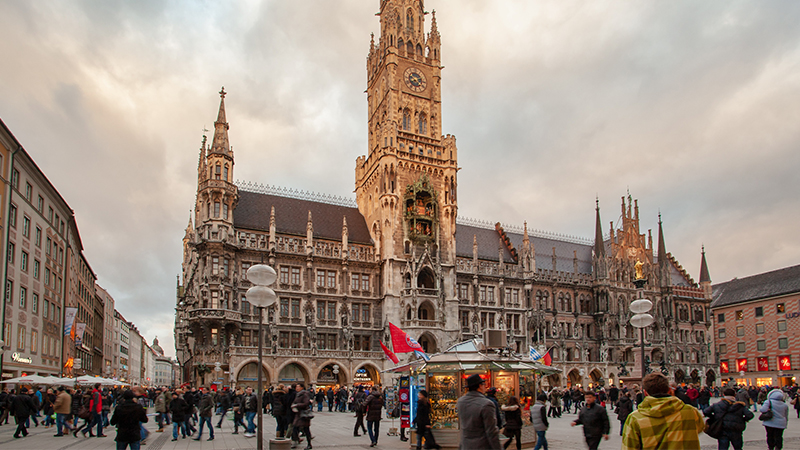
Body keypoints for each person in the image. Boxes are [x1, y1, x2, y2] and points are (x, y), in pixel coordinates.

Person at [621, 373, 705, 450]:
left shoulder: (635, 418)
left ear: (645, 393)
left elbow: (629, 447)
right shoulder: (690, 412)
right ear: (669, 390)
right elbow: (700, 428)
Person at [457, 374, 501, 450]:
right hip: (482, 446)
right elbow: (491, 432)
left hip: (466, 445)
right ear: (480, 386)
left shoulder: (460, 402)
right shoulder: (486, 404)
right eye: (483, 384)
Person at [291, 384, 313, 449]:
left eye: (298, 386)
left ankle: (309, 444)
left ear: (302, 387)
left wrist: (297, 405)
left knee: (306, 429)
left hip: (304, 414)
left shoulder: (305, 394)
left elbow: (306, 403)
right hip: (298, 414)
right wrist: (293, 405)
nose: (297, 388)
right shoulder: (298, 394)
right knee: (295, 428)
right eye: (296, 386)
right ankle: (295, 441)